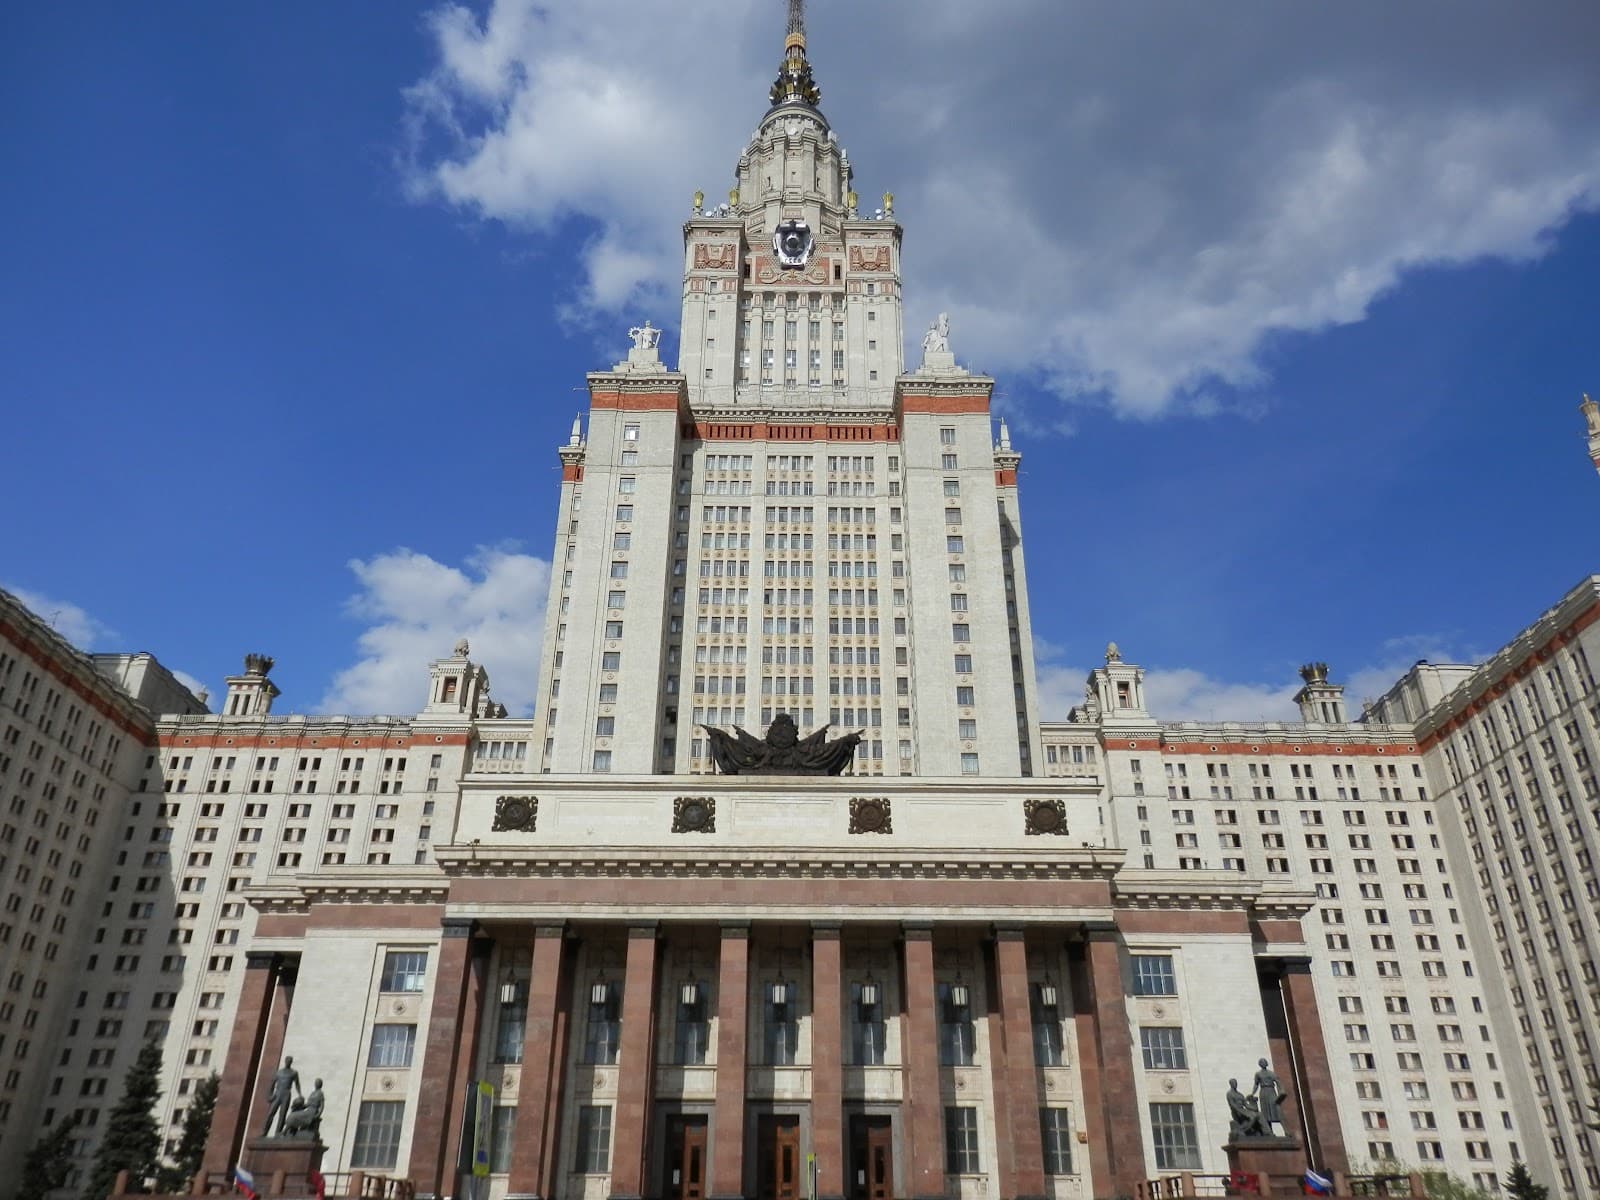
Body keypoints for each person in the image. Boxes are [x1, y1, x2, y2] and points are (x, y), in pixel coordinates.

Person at [261, 1056, 303, 1137]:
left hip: (286, 1094)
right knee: (271, 1113)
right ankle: (264, 1132)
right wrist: (270, 1095)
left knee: (282, 1114)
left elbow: (297, 1084)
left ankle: (278, 1132)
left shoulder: (294, 1073)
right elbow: (272, 1084)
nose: (288, 1062)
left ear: (291, 1062)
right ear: (285, 1061)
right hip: (278, 1093)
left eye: (290, 1061)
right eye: (287, 1060)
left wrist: (300, 1094)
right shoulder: (279, 1072)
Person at [1252, 1057, 1286, 1130]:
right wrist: (1252, 1093)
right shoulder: (1258, 1074)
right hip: (1263, 1092)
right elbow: (1256, 1084)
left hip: (1271, 1091)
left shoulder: (1271, 1073)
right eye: (1262, 1062)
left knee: (1277, 1110)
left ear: (1266, 1063)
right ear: (1260, 1064)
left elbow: (1278, 1081)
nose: (1263, 1063)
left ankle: (1286, 1130)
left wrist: (1281, 1090)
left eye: (1264, 1062)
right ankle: (1269, 1131)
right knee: (1265, 1113)